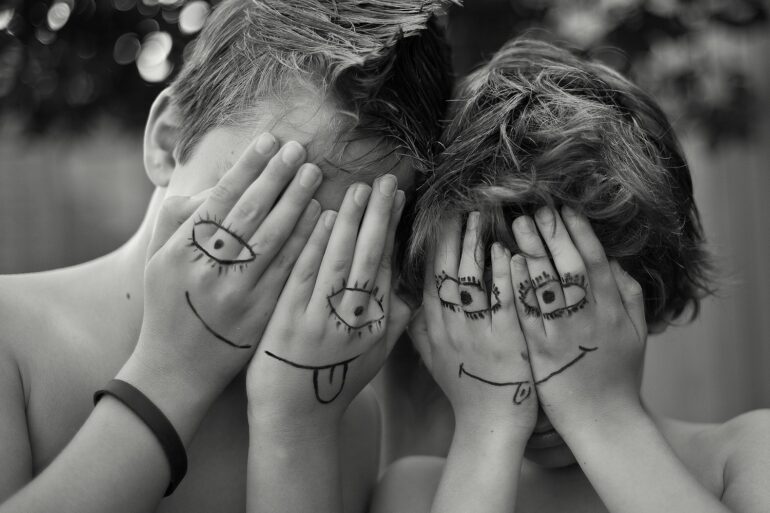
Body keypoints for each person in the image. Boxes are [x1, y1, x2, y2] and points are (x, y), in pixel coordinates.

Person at [0, 1, 453, 512]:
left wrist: (296, 430)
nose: (288, 270)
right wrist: (171, 375)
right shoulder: (11, 336)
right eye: (265, 208)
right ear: (168, 142)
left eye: (343, 248)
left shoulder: (338, 413)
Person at [371, 39, 770, 513]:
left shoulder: (743, 456)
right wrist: (486, 429)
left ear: (656, 293)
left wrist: (601, 416)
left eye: (558, 308)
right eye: (483, 321)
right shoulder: (416, 493)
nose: (528, 368)